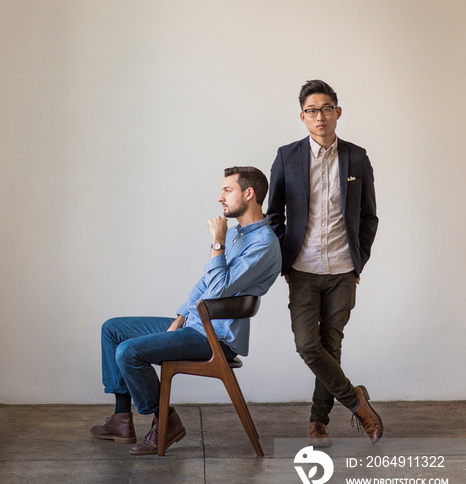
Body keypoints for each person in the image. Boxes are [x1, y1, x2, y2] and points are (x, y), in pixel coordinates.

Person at [91, 166, 281, 455]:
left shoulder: (263, 244)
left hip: (215, 338)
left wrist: (217, 240)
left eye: (227, 190)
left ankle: (166, 421)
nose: (220, 197)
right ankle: (121, 420)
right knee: (113, 329)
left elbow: (218, 289)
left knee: (128, 352)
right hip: (195, 325)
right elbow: (205, 281)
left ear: (249, 193)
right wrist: (181, 316)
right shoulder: (239, 235)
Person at [267, 80, 382, 446]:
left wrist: (357, 264)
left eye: (327, 108)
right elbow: (274, 217)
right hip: (303, 269)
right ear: (303, 117)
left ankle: (319, 421)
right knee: (307, 344)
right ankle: (356, 402)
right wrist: (285, 263)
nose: (321, 116)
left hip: (343, 270)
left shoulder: (356, 157)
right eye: (313, 111)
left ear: (338, 112)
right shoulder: (287, 156)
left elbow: (368, 216)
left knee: (331, 345)